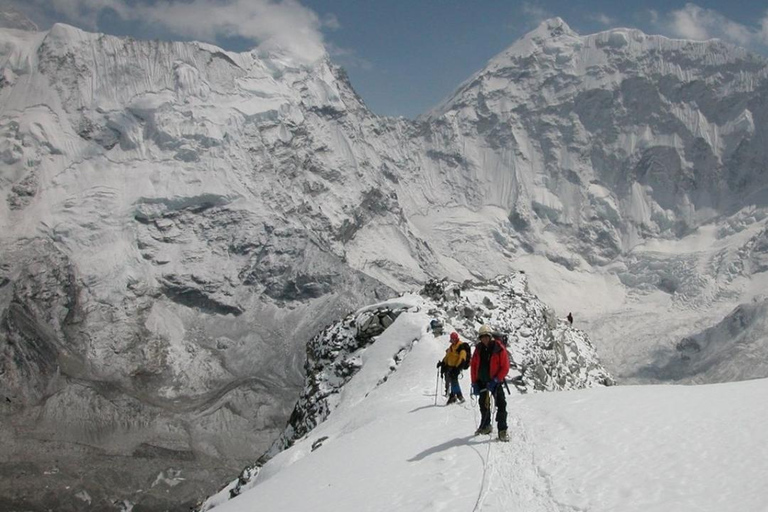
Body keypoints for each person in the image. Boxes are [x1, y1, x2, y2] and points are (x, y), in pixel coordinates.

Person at [470, 324, 510, 441]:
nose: (484, 339)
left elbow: (505, 367)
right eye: (482, 337)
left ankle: (502, 430)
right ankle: (486, 425)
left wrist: (497, 379)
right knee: (483, 404)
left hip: (495, 381)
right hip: (482, 381)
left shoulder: (498, 348)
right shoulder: (478, 349)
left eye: (486, 336)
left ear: (490, 336)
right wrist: (474, 382)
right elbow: (474, 366)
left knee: (501, 404)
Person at [440, 332, 467, 404]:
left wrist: (457, 367)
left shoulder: (460, 346)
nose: (452, 340)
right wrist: (443, 362)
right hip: (450, 367)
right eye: (451, 339)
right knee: (453, 381)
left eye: (453, 339)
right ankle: (456, 396)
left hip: (456, 367)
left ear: (455, 339)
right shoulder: (452, 346)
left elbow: (462, 358)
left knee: (454, 381)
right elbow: (448, 356)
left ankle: (457, 396)